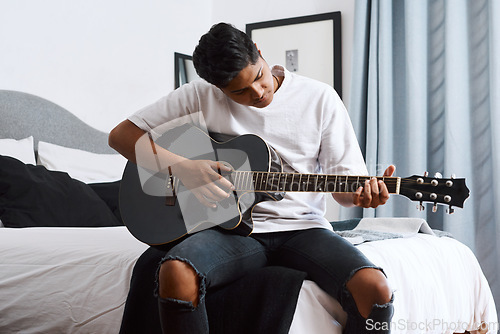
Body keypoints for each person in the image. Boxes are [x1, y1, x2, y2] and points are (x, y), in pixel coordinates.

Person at [109, 22, 395, 333]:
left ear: (259, 53)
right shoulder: (199, 96)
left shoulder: (320, 98)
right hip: (229, 232)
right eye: (239, 92)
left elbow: (343, 190)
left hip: (302, 229)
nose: (257, 93)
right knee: (175, 272)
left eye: (258, 77)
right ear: (218, 88)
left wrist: (363, 195)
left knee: (375, 288)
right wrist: (183, 168)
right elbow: (121, 136)